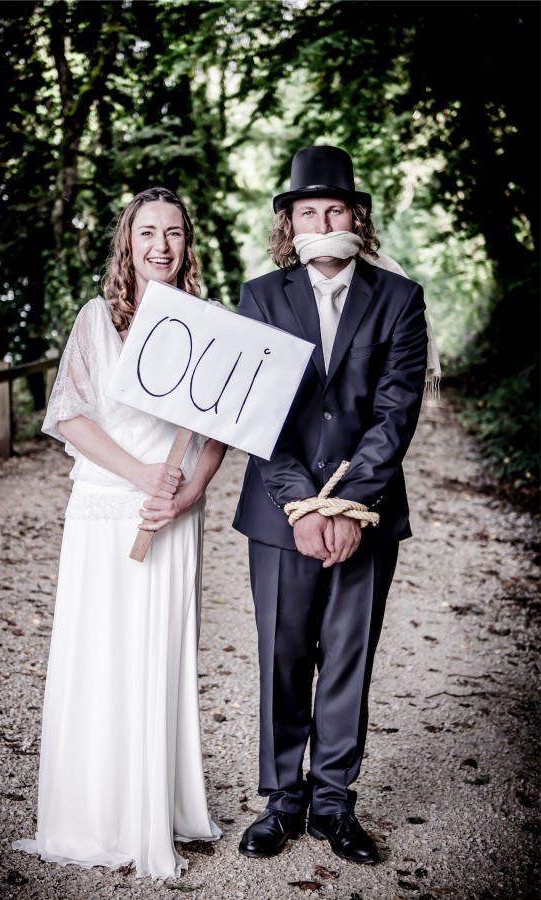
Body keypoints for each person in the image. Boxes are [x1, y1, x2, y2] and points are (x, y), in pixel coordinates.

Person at [13, 187, 227, 881]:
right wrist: (142, 476)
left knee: (155, 657)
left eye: (172, 233)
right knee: (100, 654)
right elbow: (70, 416)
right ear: (126, 245)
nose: (160, 246)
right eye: (146, 234)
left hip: (170, 515)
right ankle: (91, 814)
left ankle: (153, 810)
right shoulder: (95, 320)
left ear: (187, 244)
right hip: (107, 509)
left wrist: (186, 494)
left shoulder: (209, 325)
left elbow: (223, 427)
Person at [232, 145, 430, 865]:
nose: (323, 219)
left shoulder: (399, 298)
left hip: (367, 512)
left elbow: (395, 409)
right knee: (283, 656)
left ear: (356, 218)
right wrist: (300, 506)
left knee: (347, 658)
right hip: (278, 512)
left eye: (335, 208)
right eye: (307, 210)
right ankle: (281, 802)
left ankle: (333, 803)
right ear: (290, 223)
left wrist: (346, 506)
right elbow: (253, 413)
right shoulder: (258, 296)